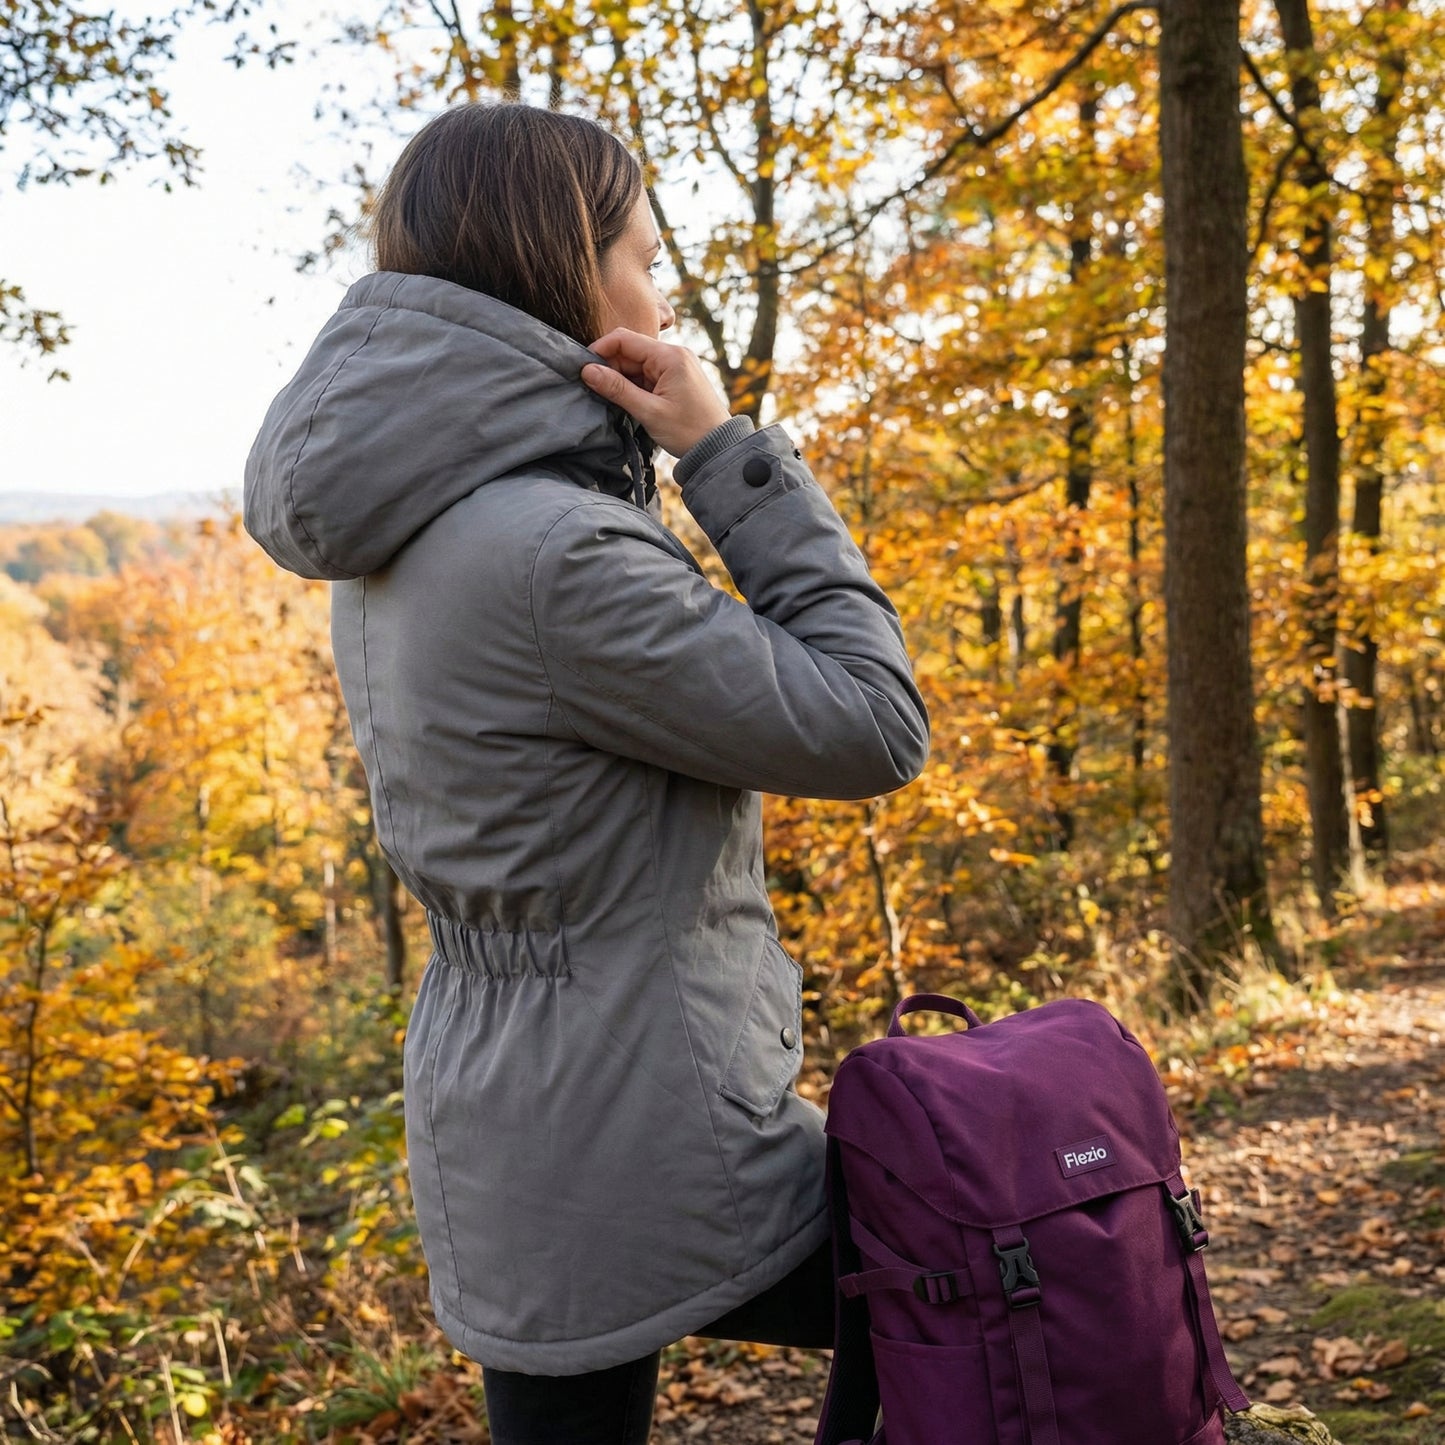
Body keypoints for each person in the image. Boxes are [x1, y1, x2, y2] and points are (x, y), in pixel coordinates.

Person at [244, 102, 929, 1445]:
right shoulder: (554, 553)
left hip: (509, 1113)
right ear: (567, 267)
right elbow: (869, 722)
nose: (660, 293)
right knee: (996, 1274)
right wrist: (730, 457)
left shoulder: (411, 520)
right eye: (642, 254)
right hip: (648, 1124)